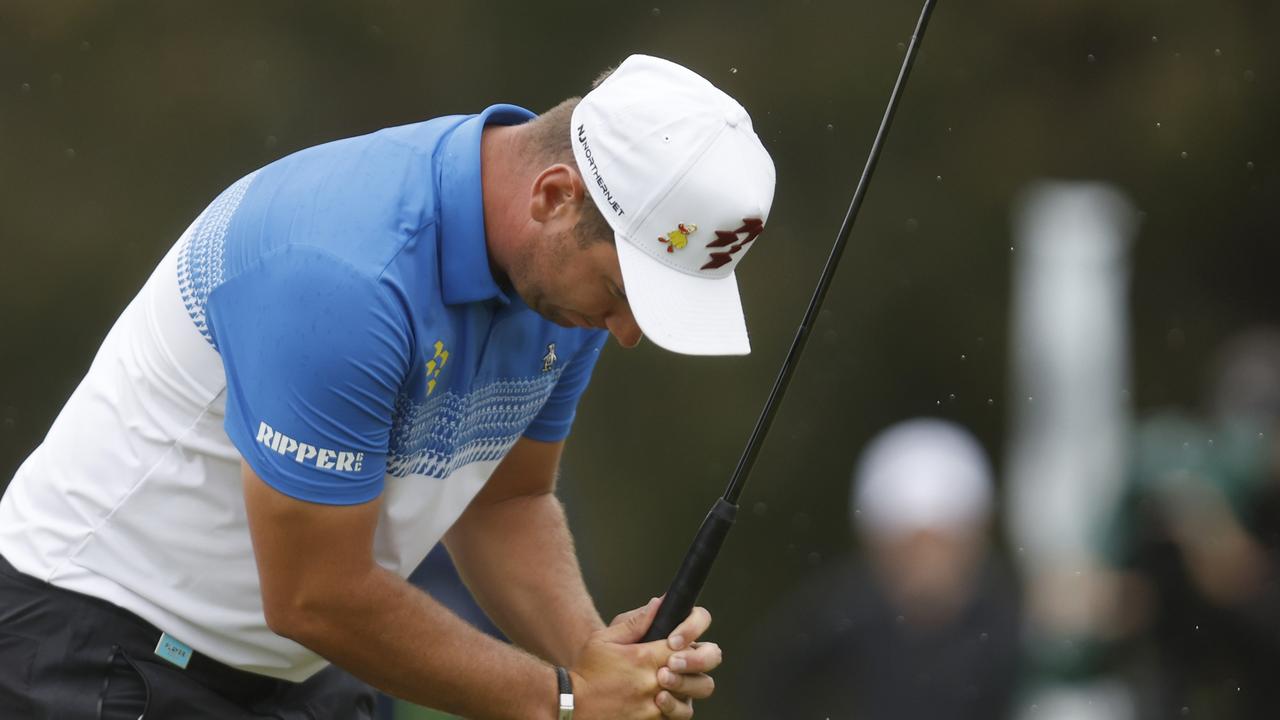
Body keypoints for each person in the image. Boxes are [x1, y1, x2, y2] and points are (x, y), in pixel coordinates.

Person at [0, 54, 776, 719]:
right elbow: (314, 594)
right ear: (552, 196)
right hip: (94, 648)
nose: (629, 331)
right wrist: (563, 698)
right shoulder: (343, 272)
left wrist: (592, 657)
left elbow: (504, 501)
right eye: (627, 291)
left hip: (296, 670)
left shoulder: (567, 291)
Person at [743, 418, 1022, 720]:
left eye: (942, 543)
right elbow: (769, 682)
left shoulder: (1019, 622)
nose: (926, 565)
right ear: (875, 546)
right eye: (909, 546)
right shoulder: (838, 616)